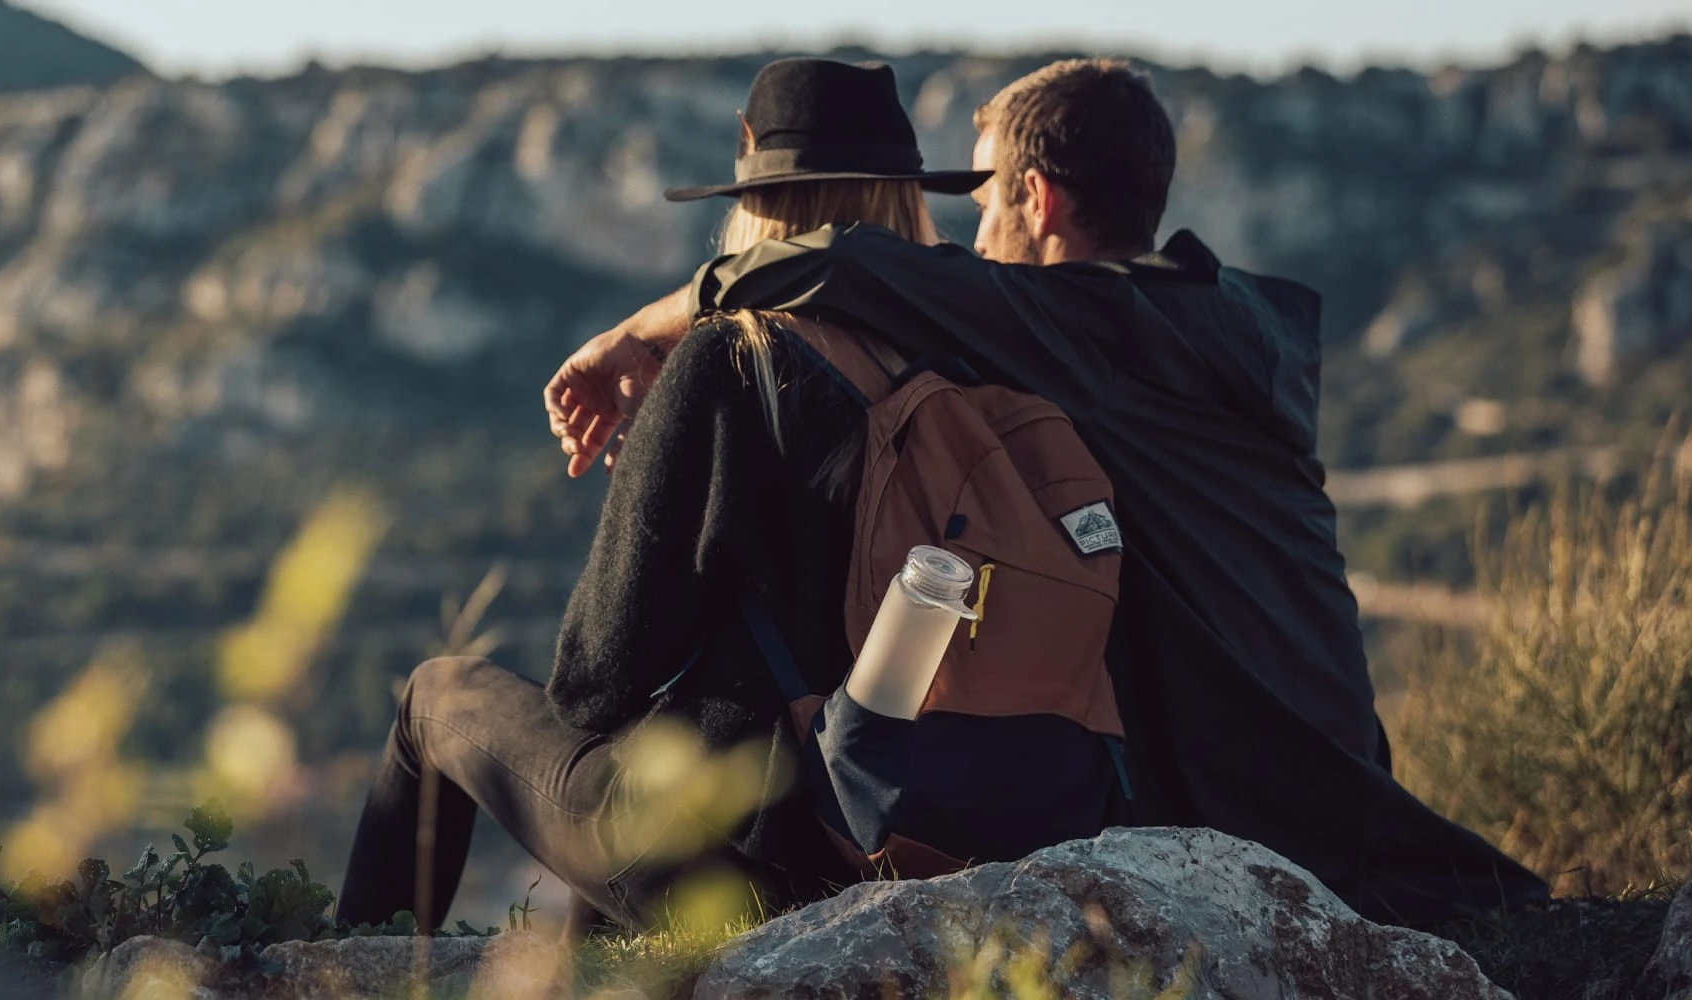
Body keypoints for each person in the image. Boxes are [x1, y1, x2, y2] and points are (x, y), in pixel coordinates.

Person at [545, 57, 1550, 925]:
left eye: (983, 210)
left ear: (1040, 200)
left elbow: (834, 260)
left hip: (1243, 824)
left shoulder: (1085, 327)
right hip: (1355, 802)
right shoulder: (1222, 326)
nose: (969, 242)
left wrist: (633, 334)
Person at [336, 59, 1125, 934]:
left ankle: (349, 973)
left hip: (729, 867)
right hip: (893, 845)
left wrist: (659, 478)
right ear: (906, 197)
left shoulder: (733, 360)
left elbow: (593, 682)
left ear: (754, 188)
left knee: (434, 696)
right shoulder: (973, 372)